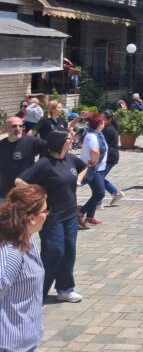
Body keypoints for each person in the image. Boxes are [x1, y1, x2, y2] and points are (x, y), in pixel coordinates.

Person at [16, 131, 88, 302]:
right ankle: (38, 291)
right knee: (54, 251)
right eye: (68, 139)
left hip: (71, 214)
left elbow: (84, 167)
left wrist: (78, 180)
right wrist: (39, 197)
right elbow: (19, 181)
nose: (72, 140)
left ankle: (65, 289)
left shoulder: (71, 159)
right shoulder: (44, 163)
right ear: (59, 143)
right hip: (52, 216)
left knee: (69, 251)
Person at [0, 184, 48, 352]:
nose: (47, 214)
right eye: (44, 211)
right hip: (10, 346)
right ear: (31, 218)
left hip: (27, 339)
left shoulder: (28, 239)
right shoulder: (11, 253)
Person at [0, 117, 46, 204]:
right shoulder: (1, 144)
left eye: (21, 126)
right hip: (5, 193)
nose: (18, 128)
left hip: (25, 192)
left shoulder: (32, 142)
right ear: (6, 127)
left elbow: (51, 150)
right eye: (14, 126)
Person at [77, 114, 108, 228]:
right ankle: (80, 213)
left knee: (96, 193)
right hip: (93, 169)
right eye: (102, 121)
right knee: (100, 193)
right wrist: (95, 161)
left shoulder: (98, 134)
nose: (104, 123)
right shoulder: (91, 136)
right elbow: (94, 151)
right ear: (99, 124)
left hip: (99, 168)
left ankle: (90, 216)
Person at [100, 111, 124, 207]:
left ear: (109, 120)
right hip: (109, 156)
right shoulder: (108, 128)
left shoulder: (108, 130)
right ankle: (115, 193)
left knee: (98, 178)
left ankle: (98, 202)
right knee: (98, 177)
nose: (101, 120)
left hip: (109, 157)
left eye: (103, 118)